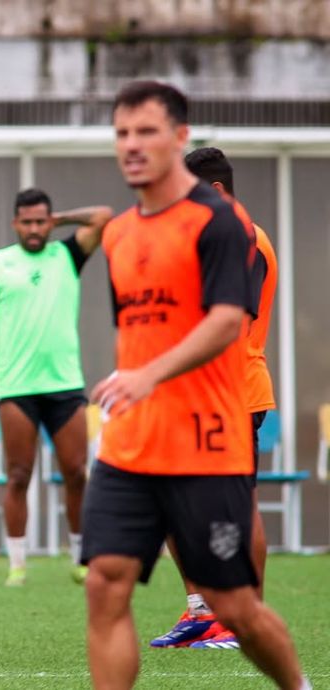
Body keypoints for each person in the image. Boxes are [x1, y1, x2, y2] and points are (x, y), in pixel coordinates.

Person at [83, 80, 308, 690]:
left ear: (179, 139)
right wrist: (125, 381)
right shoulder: (121, 233)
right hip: (134, 439)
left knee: (234, 605)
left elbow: (228, 321)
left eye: (146, 132)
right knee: (105, 582)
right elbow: (136, 330)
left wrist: (149, 375)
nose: (132, 145)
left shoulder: (223, 223)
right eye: (122, 133)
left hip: (207, 437)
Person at [150, 146, 278, 650]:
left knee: (235, 508)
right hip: (189, 392)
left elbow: (227, 326)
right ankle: (204, 610)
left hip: (233, 394)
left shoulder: (246, 239)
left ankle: (246, 620)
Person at [0, 188, 112, 587]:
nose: (34, 229)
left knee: (77, 473)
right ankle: (17, 563)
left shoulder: (67, 254)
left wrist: (61, 217)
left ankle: (82, 558)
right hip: (15, 386)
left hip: (65, 384)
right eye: (27, 222)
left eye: (40, 221)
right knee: (18, 474)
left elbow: (103, 214)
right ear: (15, 223)